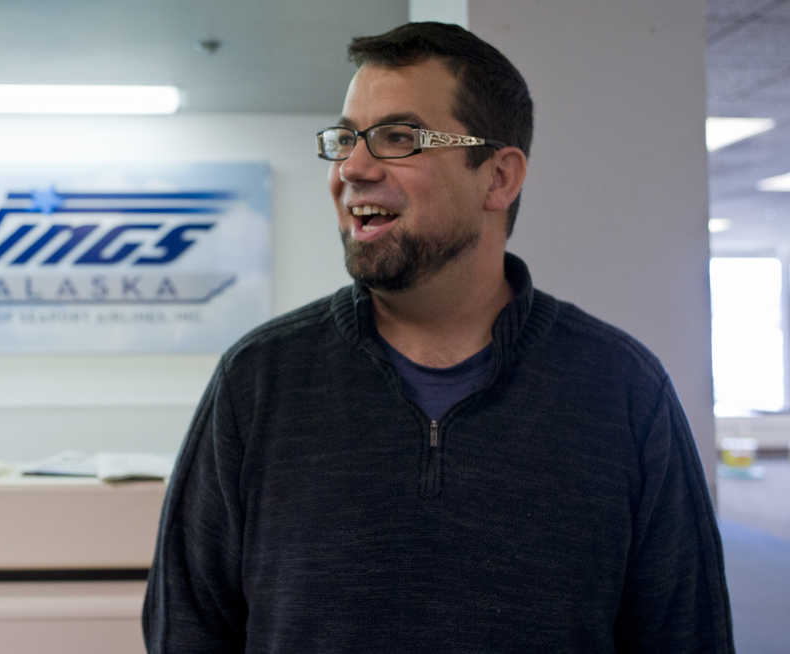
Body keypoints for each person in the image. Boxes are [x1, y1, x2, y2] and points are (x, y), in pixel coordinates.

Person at [143, 21, 734, 653]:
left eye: (399, 138)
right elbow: (187, 631)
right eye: (346, 139)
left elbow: (687, 635)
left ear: (499, 177)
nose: (352, 168)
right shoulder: (259, 380)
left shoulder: (622, 389)